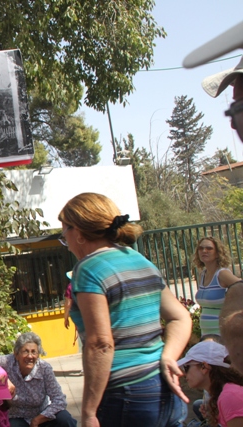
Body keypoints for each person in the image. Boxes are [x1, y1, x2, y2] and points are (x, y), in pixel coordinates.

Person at [58, 192, 192, 427]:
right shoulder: (139, 259)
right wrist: (169, 356)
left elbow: (101, 343)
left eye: (64, 233)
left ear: (78, 232)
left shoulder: (88, 268)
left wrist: (89, 412)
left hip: (127, 395)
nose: (66, 243)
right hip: (165, 389)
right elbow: (180, 316)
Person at [183, 21, 243, 373]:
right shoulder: (203, 277)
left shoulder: (223, 277)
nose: (234, 126)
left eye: (237, 111)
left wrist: (233, 327)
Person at [0, 332, 76, 427]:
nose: (30, 356)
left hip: (41, 414)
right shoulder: (8, 362)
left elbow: (59, 400)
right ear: (16, 354)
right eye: (25, 351)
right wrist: (5, 379)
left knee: (65, 419)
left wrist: (38, 419)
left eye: (34, 352)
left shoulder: (44, 369)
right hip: (17, 416)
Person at [178, 341, 243, 427]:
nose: (184, 374)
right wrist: (215, 415)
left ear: (204, 367)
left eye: (186, 367)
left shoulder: (230, 396)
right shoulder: (225, 392)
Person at [192, 237, 241, 337]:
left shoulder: (222, 274)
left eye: (209, 248)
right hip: (206, 333)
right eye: (201, 248)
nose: (204, 251)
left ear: (218, 253)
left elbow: (240, 287)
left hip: (222, 334)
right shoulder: (202, 274)